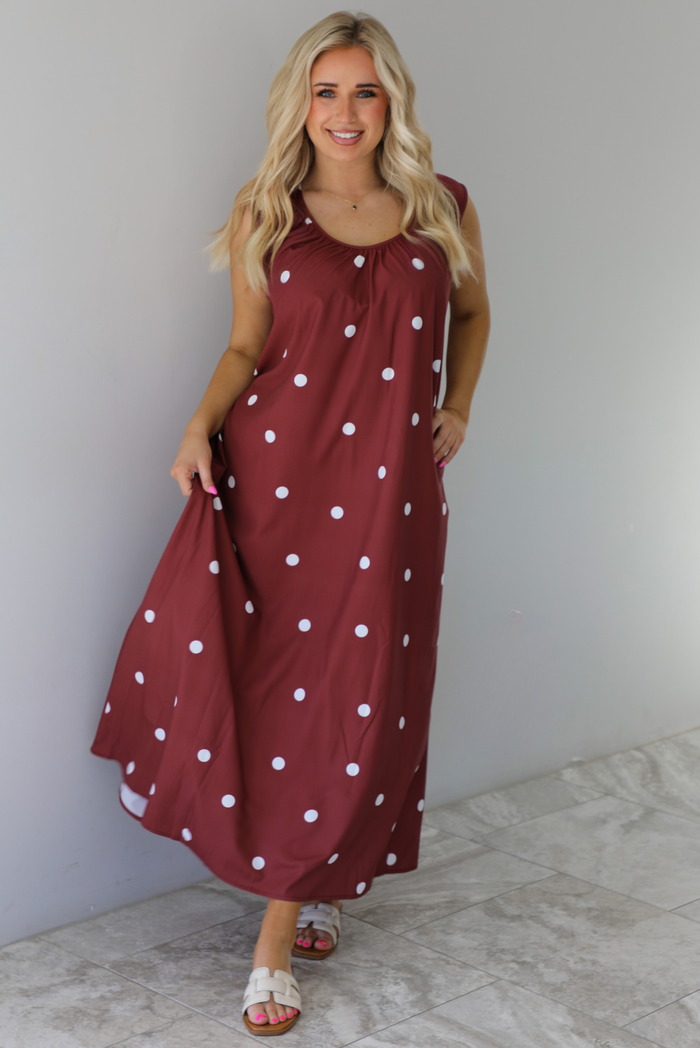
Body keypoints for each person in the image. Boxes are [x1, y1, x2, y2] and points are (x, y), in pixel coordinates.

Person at [90, 9, 490, 1036]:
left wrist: (456, 406)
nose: (345, 112)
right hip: (276, 486)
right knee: (270, 688)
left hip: (391, 499)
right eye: (326, 91)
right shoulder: (270, 208)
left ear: (391, 99)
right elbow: (244, 347)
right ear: (299, 105)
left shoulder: (441, 207)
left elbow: (475, 313)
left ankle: (293, 900)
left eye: (363, 90)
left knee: (359, 695)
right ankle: (285, 916)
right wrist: (196, 425)